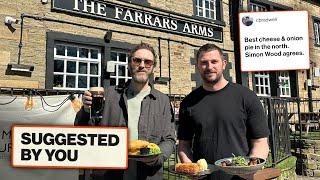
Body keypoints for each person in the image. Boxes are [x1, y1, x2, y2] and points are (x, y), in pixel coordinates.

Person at [75, 42, 176, 180]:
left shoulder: (162, 101)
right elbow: (83, 132)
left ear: (153, 68)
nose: (142, 65)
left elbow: (169, 139)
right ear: (129, 64)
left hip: (148, 175)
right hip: (109, 175)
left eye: (147, 62)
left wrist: (157, 157)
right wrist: (86, 111)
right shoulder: (109, 95)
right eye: (137, 60)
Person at [177, 43, 269, 180]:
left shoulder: (246, 97)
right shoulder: (188, 102)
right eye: (204, 63)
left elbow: (260, 142)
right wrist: (190, 167)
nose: (209, 67)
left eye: (214, 61)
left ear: (224, 64)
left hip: (240, 178)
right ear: (197, 66)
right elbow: (184, 144)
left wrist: (249, 169)